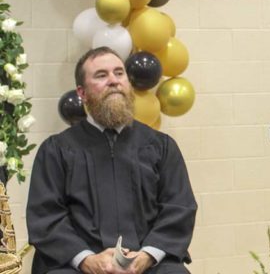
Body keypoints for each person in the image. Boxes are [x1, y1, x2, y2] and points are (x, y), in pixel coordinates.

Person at [26, 47, 197, 274]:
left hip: (145, 263)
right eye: (101, 75)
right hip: (79, 266)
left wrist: (146, 256)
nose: (114, 81)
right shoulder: (57, 150)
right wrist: (87, 260)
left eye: (119, 73)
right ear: (82, 92)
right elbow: (46, 216)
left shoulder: (160, 146)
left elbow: (179, 207)